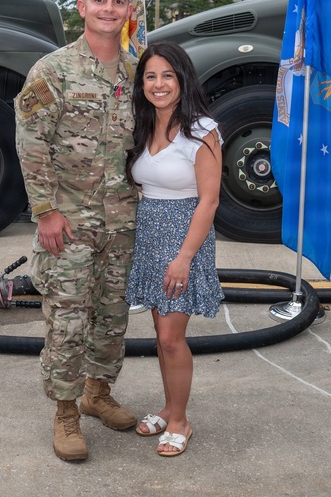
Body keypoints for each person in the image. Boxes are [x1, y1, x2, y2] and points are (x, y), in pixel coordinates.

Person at [14, 0, 139, 462]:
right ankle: (66, 412)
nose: (109, 8)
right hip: (69, 222)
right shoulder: (53, 70)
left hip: (122, 221)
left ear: (129, 10)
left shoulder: (137, 74)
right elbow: (30, 142)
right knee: (67, 321)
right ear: (82, 7)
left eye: (119, 1)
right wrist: (44, 211)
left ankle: (97, 393)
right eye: (99, 0)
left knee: (111, 318)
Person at [124, 41, 224, 458]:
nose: (159, 84)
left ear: (183, 79)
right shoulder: (143, 125)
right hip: (150, 234)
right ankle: (169, 407)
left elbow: (209, 200)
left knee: (169, 337)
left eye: (167, 75)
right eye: (150, 76)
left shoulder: (202, 130)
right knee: (160, 334)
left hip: (185, 239)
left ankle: (181, 421)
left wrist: (183, 257)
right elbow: (142, 183)